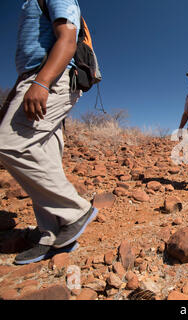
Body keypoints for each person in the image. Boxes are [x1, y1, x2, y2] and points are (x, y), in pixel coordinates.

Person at [0, 0, 97, 265]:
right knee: (45, 159)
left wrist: (42, 82)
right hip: (40, 77)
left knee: (7, 142)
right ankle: (50, 234)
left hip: (48, 77)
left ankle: (75, 212)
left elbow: (67, 38)